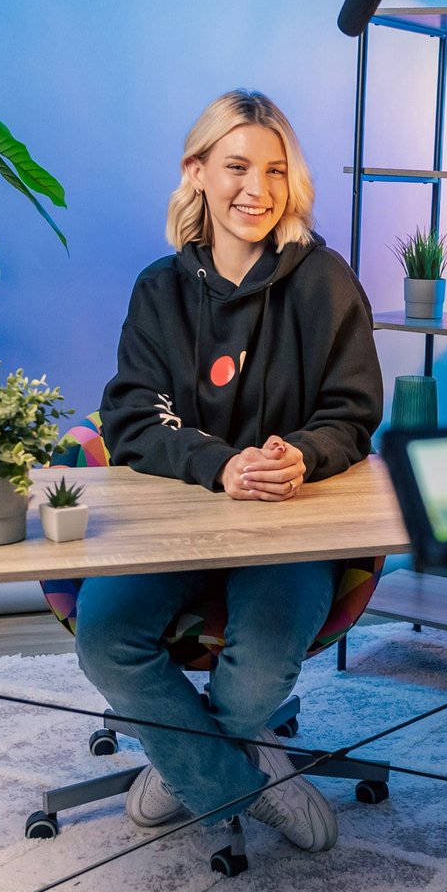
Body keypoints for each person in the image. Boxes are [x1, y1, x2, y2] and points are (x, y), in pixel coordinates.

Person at [76, 89, 383, 853]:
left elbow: (352, 414)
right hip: (174, 523)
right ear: (197, 171)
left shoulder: (326, 282)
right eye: (238, 167)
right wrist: (222, 467)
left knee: (253, 679)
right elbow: (133, 420)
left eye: (275, 171)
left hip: (288, 525)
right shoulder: (160, 290)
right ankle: (236, 780)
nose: (258, 190)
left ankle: (182, 759)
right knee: (104, 636)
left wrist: (301, 454)